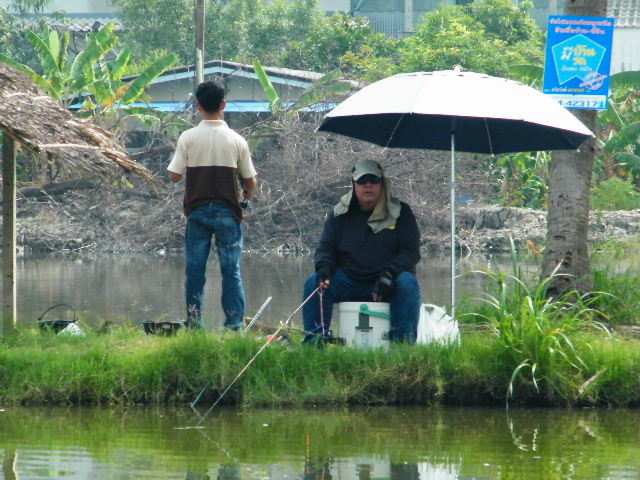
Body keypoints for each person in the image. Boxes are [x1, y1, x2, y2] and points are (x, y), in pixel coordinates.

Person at [168, 80, 257, 330]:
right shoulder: (237, 140)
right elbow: (250, 181)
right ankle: (234, 325)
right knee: (231, 271)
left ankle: (195, 324)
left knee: (195, 271)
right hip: (229, 212)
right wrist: (247, 193)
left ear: (198, 106)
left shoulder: (188, 137)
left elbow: (174, 175)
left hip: (197, 212)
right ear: (223, 105)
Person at [302, 159, 421, 343]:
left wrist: (389, 275)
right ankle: (314, 343)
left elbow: (411, 252)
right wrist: (324, 267)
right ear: (354, 184)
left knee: (407, 283)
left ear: (382, 184)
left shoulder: (401, 212)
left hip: (387, 282)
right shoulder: (338, 213)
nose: (368, 185)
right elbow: (326, 247)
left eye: (374, 180)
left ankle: (404, 347)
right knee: (313, 283)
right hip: (349, 280)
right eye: (362, 181)